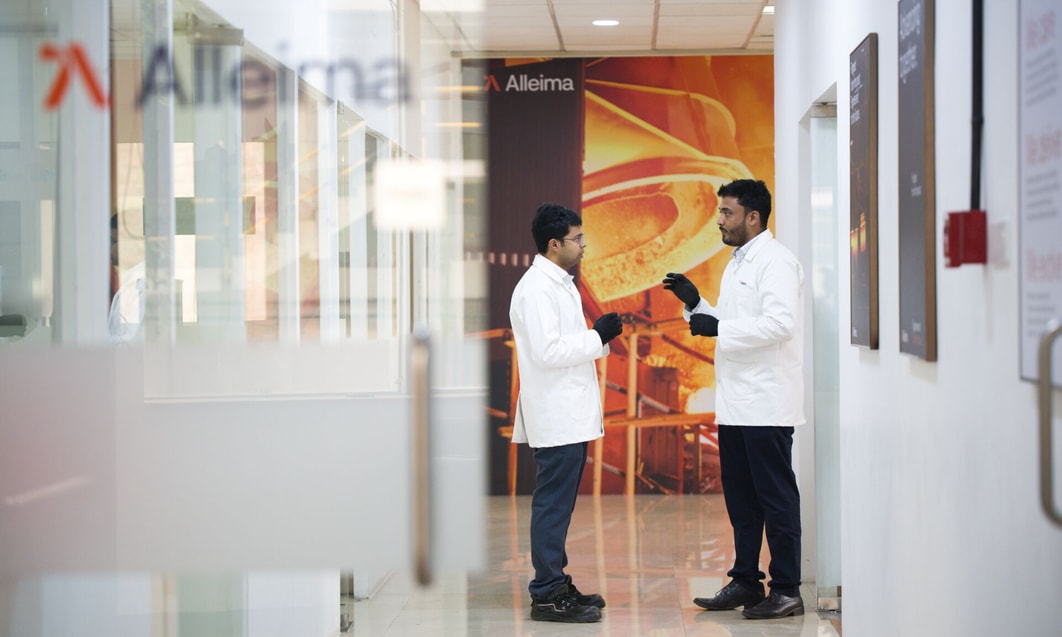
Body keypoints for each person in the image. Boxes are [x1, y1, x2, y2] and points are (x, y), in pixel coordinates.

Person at [662, 179, 806, 619]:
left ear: (753, 217)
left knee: (776, 499)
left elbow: (780, 324)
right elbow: (733, 321)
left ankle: (786, 589)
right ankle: (746, 580)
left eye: (727, 212)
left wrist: (720, 327)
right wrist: (696, 303)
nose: (719, 220)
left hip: (766, 402)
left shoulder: (776, 262)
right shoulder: (738, 262)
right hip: (737, 404)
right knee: (742, 501)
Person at [509, 203, 623, 623]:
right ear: (554, 244)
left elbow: (564, 343)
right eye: (578, 238)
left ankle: (556, 582)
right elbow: (548, 351)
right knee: (552, 507)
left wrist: (597, 337)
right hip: (555, 415)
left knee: (559, 507)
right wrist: (597, 336)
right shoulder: (537, 288)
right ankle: (547, 594)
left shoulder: (559, 283)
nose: (583, 244)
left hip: (568, 413)